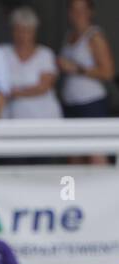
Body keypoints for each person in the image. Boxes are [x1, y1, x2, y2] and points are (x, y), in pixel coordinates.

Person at [59, 0, 114, 164]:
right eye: (74, 10)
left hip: (91, 103)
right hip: (71, 103)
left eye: (82, 10)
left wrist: (77, 69)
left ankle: (103, 190)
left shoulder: (94, 36)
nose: (78, 14)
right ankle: (74, 190)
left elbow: (108, 72)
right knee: (74, 154)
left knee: (95, 153)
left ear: (91, 12)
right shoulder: (69, 36)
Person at [1, 7, 62, 120]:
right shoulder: (3, 52)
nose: (22, 36)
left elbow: (43, 87)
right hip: (12, 117)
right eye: (19, 30)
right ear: (13, 30)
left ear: (34, 32)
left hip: (44, 117)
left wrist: (14, 92)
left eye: (27, 31)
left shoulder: (45, 54)